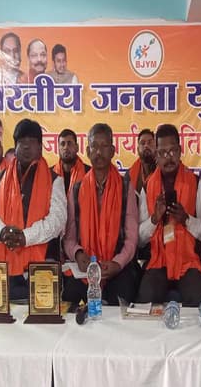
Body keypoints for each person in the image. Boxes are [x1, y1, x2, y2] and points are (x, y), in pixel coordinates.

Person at [0, 119, 67, 300]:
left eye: (32, 142)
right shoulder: (0, 178)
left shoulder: (55, 180)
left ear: (40, 147)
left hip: (42, 258)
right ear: (15, 146)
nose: (26, 147)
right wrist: (2, 232)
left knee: (39, 306)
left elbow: (57, 220)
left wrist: (25, 237)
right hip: (4, 254)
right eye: (22, 142)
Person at [62, 123, 140, 304]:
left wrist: (118, 263)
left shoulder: (126, 187)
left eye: (104, 146)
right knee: (70, 298)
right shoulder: (76, 190)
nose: (99, 152)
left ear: (112, 151)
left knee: (121, 297)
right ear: (87, 151)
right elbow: (69, 238)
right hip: (86, 269)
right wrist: (77, 254)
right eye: (94, 146)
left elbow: (131, 238)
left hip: (117, 267)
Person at [137, 124, 201, 306]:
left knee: (199, 303)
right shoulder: (148, 187)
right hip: (158, 261)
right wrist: (154, 219)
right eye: (162, 153)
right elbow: (139, 239)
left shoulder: (195, 183)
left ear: (180, 151)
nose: (168, 157)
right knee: (145, 302)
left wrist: (186, 219)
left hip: (188, 262)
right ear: (156, 155)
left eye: (172, 151)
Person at [52, 128, 90, 194]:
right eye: (62, 144)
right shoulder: (50, 174)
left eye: (69, 143)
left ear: (77, 147)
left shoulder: (89, 173)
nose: (66, 147)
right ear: (58, 148)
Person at [128, 129, 157, 197]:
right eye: (143, 143)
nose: (146, 146)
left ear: (156, 147)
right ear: (138, 149)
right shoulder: (129, 175)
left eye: (150, 142)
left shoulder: (163, 171)